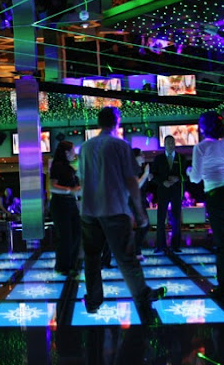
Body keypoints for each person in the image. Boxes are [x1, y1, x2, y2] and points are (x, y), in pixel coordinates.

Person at [77, 106, 166, 319]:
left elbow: (82, 179)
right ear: (117, 122)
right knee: (126, 257)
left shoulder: (85, 147)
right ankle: (142, 296)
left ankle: (93, 301)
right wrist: (139, 211)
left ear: (99, 122)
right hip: (114, 208)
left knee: (92, 258)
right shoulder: (120, 145)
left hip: (89, 210)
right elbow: (131, 181)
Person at [186, 111, 224, 296]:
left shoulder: (200, 147)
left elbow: (195, 178)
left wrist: (189, 171)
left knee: (223, 243)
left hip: (216, 193)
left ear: (203, 128)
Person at [49, 141, 81, 275]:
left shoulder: (69, 168)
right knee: (65, 236)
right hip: (61, 204)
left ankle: (71, 264)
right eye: (73, 150)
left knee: (75, 234)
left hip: (70, 204)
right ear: (66, 152)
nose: (74, 153)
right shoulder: (57, 166)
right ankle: (63, 266)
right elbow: (52, 187)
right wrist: (70, 190)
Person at [152, 135, 187, 254]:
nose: (171, 145)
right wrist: (163, 182)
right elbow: (153, 175)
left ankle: (175, 245)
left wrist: (178, 178)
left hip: (176, 192)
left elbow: (186, 175)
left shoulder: (181, 158)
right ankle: (160, 245)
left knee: (176, 219)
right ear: (164, 144)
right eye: (168, 143)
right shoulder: (158, 158)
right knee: (161, 219)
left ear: (175, 144)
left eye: (172, 142)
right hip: (163, 191)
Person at [132, 148, 151, 260]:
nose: (143, 156)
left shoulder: (138, 169)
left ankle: (136, 252)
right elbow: (136, 186)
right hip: (135, 201)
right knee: (144, 225)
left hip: (139, 200)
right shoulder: (133, 169)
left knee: (144, 225)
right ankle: (136, 252)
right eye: (141, 154)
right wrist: (146, 173)